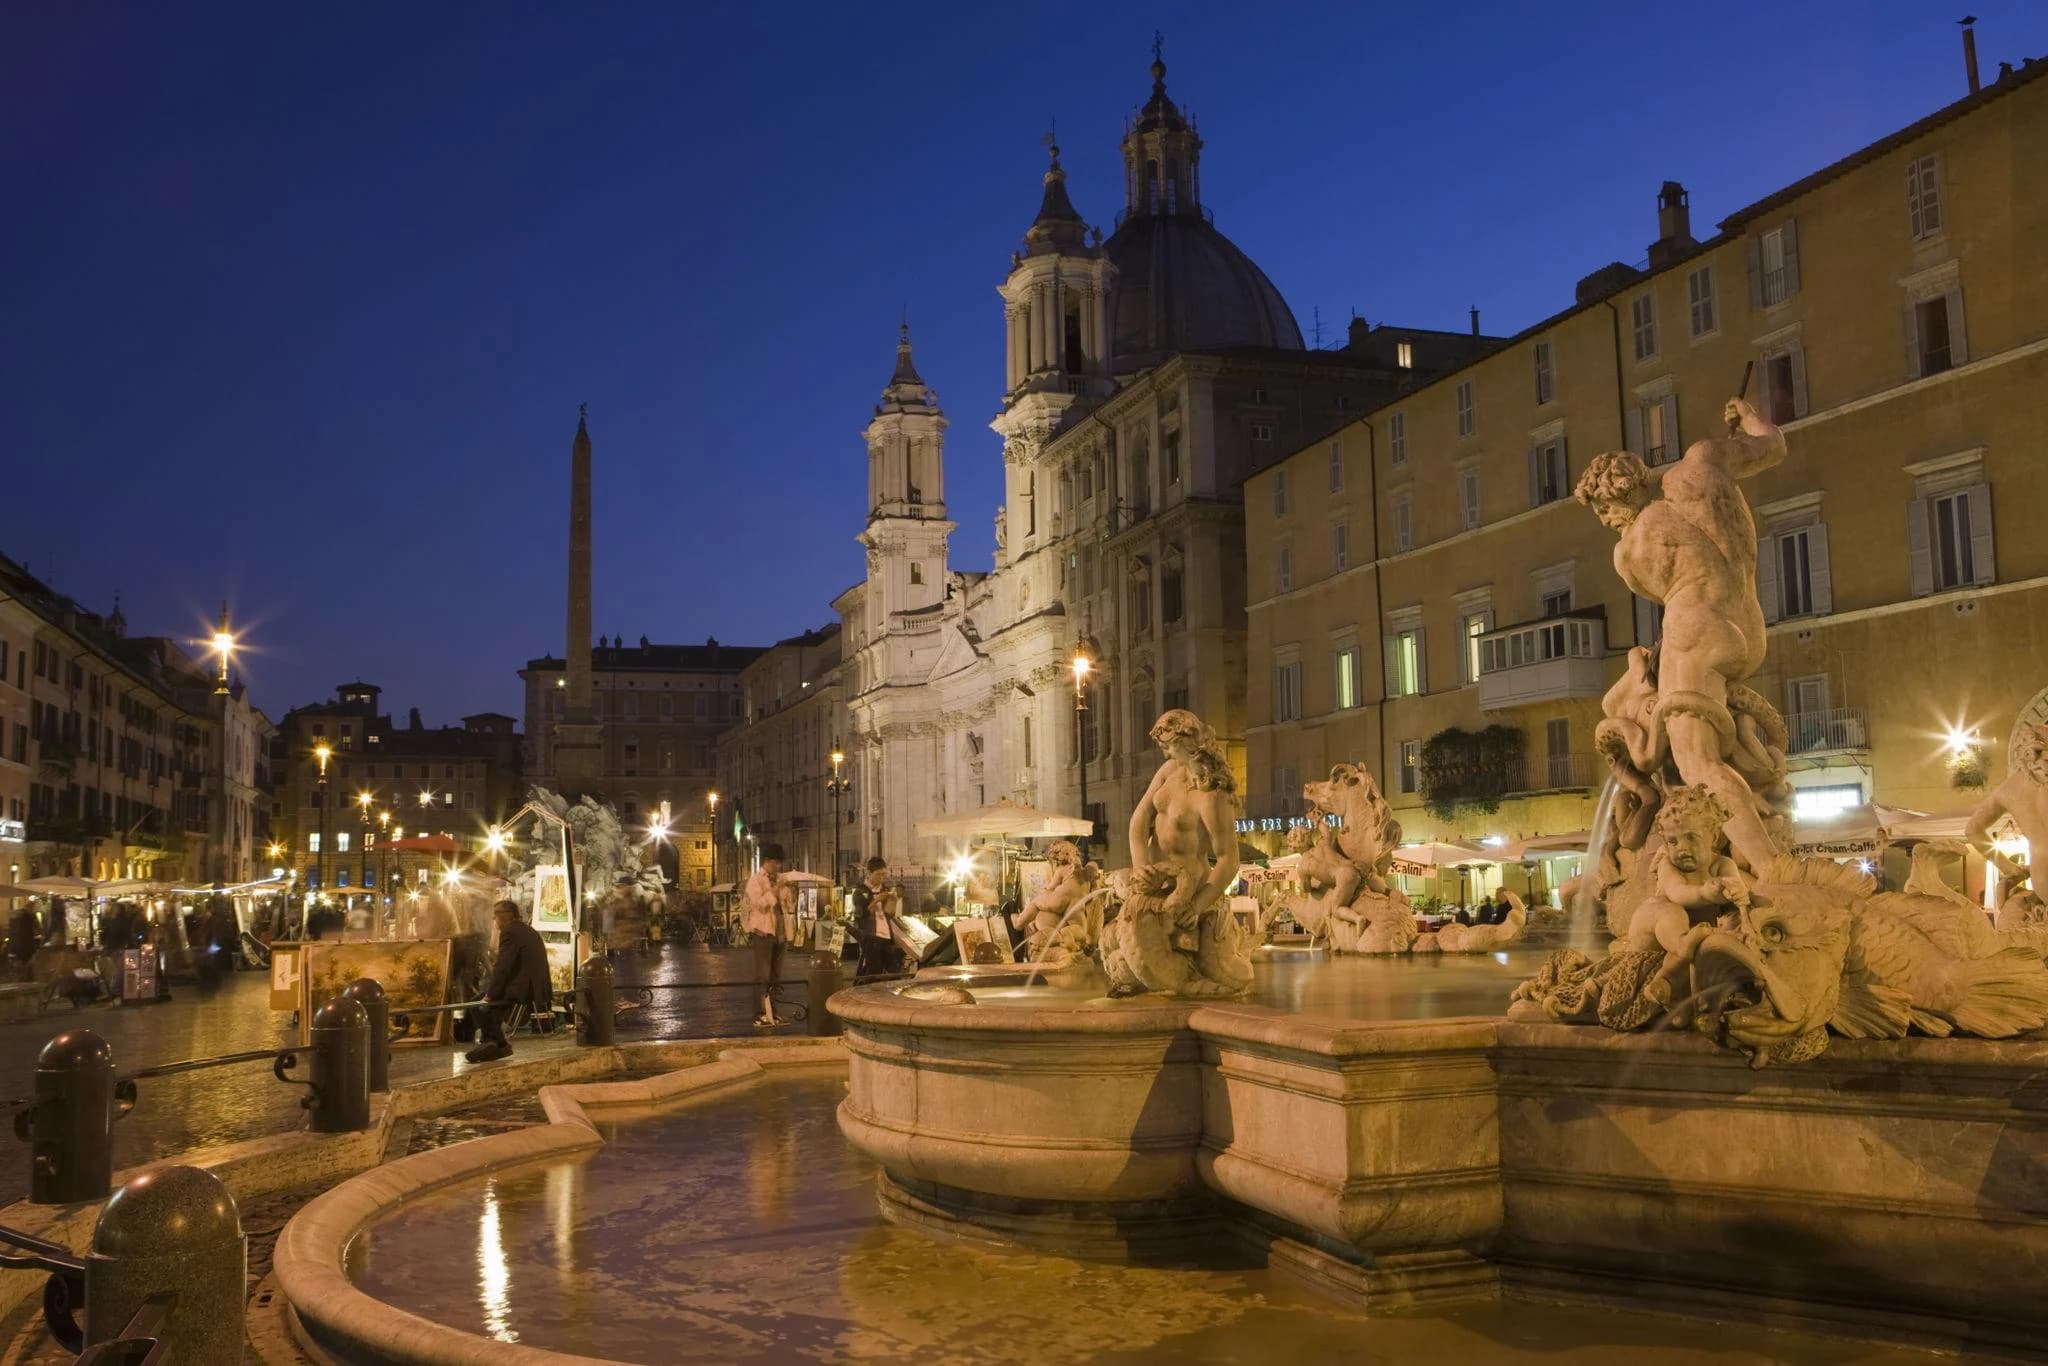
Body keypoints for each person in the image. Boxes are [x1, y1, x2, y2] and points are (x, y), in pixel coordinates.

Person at [465, 900, 552, 1064]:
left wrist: (490, 994)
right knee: (489, 1008)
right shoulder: (525, 929)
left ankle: (499, 1045)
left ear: (505, 916)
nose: (494, 920)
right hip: (531, 984)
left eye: (495, 915)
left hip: (523, 986)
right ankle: (491, 1045)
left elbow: (503, 966)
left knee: (478, 1005)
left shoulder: (509, 932)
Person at [743, 844, 792, 1027]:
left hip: (781, 933)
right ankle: (760, 1013)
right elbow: (760, 905)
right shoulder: (755, 881)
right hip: (763, 932)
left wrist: (788, 891)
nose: (779, 866)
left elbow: (787, 905)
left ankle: (774, 1012)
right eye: (776, 863)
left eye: (780, 863)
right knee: (762, 974)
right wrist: (775, 890)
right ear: (766, 862)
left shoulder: (780, 879)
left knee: (776, 975)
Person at [851, 857, 903, 980]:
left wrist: (893, 902)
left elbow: (889, 914)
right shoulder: (860, 891)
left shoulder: (884, 889)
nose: (881, 878)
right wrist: (877, 900)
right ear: (869, 873)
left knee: (894, 970)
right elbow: (862, 914)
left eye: (883, 875)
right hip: (871, 936)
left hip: (886, 935)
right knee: (873, 970)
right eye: (878, 874)